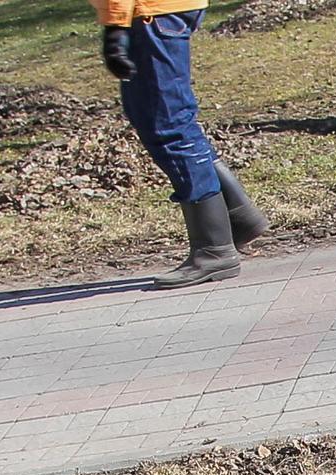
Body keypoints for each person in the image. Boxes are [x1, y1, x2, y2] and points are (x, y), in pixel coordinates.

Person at [89, 0, 267, 290]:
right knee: (160, 120)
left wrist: (114, 26)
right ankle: (238, 215)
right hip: (160, 11)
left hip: (150, 14)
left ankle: (214, 249)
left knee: (169, 127)